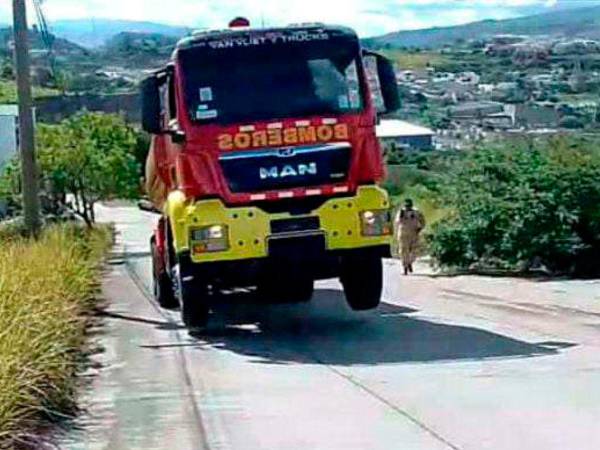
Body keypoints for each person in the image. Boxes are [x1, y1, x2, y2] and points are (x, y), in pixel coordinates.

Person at [395, 199, 426, 275]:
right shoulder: (401, 212)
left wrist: (420, 227)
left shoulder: (416, 212)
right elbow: (397, 222)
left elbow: (423, 221)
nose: (407, 207)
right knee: (403, 250)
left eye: (409, 205)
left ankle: (410, 262)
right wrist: (402, 216)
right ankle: (405, 267)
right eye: (406, 206)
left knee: (415, 250)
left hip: (414, 232)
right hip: (403, 233)